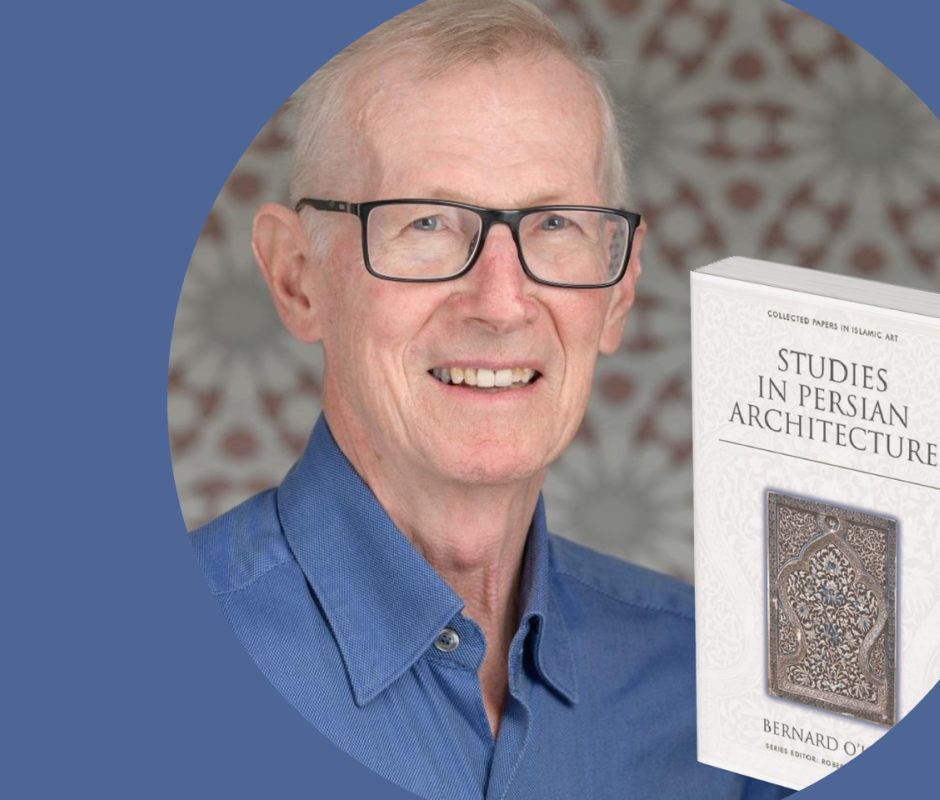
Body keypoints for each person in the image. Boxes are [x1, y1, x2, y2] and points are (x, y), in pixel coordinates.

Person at [191, 1, 790, 798]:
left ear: (618, 291)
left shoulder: (725, 695)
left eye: (555, 224)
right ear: (297, 277)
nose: (501, 303)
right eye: (427, 223)